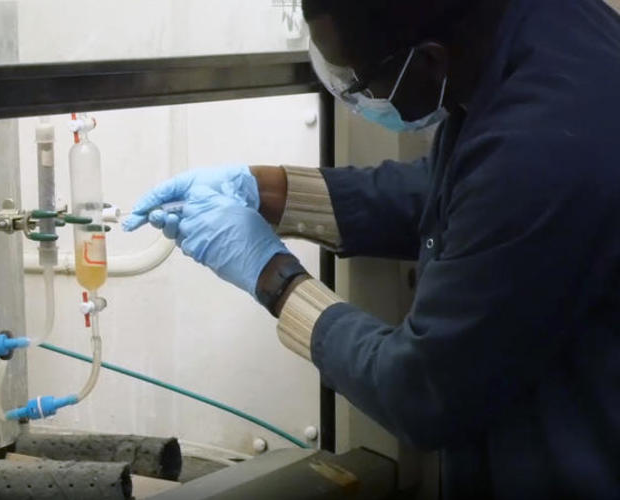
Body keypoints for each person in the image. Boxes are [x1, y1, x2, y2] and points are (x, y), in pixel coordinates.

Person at [124, 0, 620, 497]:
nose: (354, 98)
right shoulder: (537, 27)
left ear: (430, 60)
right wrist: (268, 189)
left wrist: (272, 277)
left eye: (359, 84)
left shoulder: (543, 145)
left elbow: (423, 391)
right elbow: (462, 192)